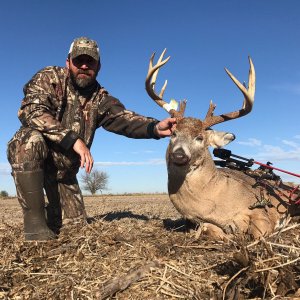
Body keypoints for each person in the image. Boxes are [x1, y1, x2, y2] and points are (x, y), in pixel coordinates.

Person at [7, 37, 176, 241]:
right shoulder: (49, 77)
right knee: (26, 139)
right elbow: (32, 111)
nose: (84, 66)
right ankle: (34, 224)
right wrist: (73, 140)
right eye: (79, 61)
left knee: (75, 230)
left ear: (99, 66)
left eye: (91, 61)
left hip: (64, 175)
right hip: (39, 162)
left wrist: (155, 127)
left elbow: (124, 119)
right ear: (68, 62)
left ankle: (48, 213)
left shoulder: (100, 98)